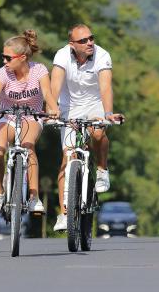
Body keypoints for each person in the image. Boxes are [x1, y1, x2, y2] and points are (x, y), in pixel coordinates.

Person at [50, 24, 124, 231]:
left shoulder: (102, 55)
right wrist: (51, 110)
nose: (89, 42)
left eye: (91, 38)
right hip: (69, 108)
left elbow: (105, 87)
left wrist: (108, 113)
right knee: (67, 158)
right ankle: (64, 214)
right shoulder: (62, 55)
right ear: (72, 44)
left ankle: (101, 169)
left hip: (95, 105)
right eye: (83, 40)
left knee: (98, 133)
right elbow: (54, 86)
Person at [0, 29, 59, 219]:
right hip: (8, 117)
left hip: (31, 117)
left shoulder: (39, 70)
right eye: (3, 57)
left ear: (22, 57)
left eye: (8, 58)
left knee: (28, 148)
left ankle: (33, 197)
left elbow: (47, 94)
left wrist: (53, 108)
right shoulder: (4, 73)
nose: (4, 62)